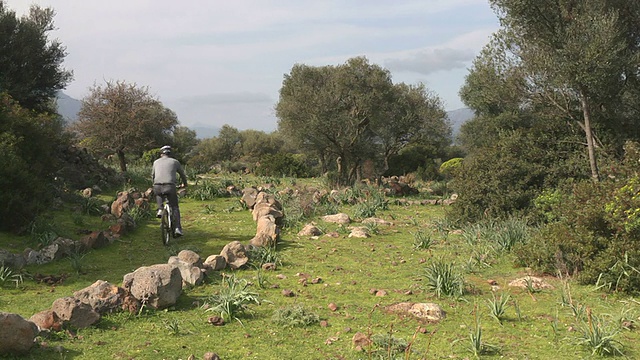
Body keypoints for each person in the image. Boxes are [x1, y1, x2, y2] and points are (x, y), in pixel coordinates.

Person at [152, 145, 188, 237]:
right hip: (170, 186)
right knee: (175, 207)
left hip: (157, 185)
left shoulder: (156, 162)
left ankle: (160, 209)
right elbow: (182, 175)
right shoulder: (175, 162)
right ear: (170, 154)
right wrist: (185, 184)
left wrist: (154, 183)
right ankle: (177, 228)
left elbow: (153, 175)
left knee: (158, 194)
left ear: (161, 154)